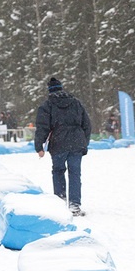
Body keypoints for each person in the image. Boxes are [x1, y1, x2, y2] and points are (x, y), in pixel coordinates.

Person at [35, 77, 92, 216]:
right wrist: (84, 141)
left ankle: (60, 202)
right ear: (61, 88)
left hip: (58, 142)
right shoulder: (76, 103)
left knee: (58, 171)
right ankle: (74, 205)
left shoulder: (47, 106)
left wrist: (39, 146)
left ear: (49, 90)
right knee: (75, 173)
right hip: (76, 142)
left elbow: (42, 127)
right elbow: (87, 124)